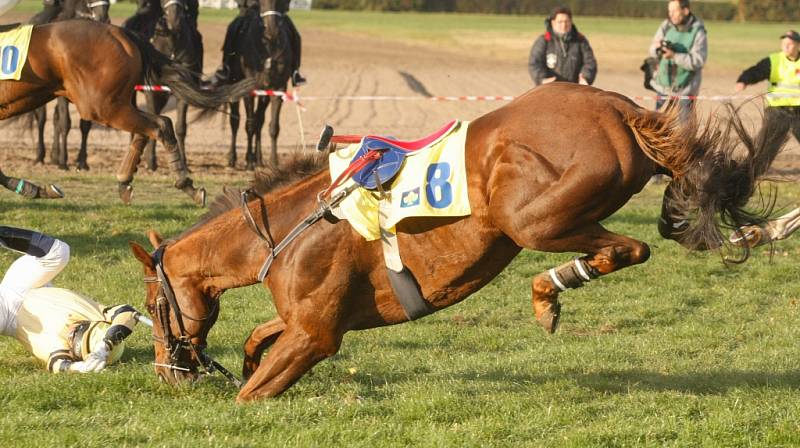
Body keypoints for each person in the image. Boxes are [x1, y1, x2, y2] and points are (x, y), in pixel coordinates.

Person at [0, 226, 143, 373]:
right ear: (88, 325)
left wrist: (78, 367)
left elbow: (56, 363)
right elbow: (129, 312)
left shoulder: (57, 344)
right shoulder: (92, 315)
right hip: (28, 285)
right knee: (60, 251)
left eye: (73, 341)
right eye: (77, 332)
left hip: (9, 313)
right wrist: (105, 346)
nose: (70, 333)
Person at [209, 0, 306, 87]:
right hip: (249, 10)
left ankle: (295, 72)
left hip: (274, 12)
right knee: (233, 29)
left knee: (296, 35)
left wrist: (284, 4)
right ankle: (226, 68)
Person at [735, 30, 800, 145]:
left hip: (798, 110)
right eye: (783, 43)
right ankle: (756, 163)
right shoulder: (774, 60)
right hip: (776, 110)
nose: (785, 46)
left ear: (798, 45)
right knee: (764, 147)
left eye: (789, 44)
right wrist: (744, 80)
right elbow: (757, 71)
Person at [647, 0, 707, 118]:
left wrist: (674, 56)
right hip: (663, 86)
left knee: (685, 131)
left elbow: (699, 60)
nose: (671, 14)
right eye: (669, 11)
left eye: (674, 11)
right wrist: (658, 49)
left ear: (685, 11)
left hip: (685, 89)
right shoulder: (666, 25)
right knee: (658, 127)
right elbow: (652, 48)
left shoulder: (698, 31)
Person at [528, 6, 596, 87]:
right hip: (549, 88)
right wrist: (542, 79)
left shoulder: (580, 40)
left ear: (571, 22)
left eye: (566, 21)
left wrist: (585, 77)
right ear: (553, 22)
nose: (564, 25)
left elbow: (590, 62)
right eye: (560, 22)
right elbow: (535, 63)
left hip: (575, 89)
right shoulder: (544, 40)